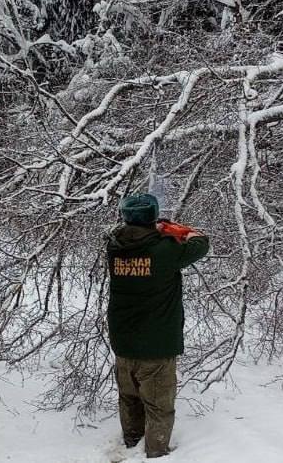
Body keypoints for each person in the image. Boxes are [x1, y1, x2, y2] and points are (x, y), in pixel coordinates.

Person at [106, 193, 209, 458]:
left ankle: (131, 444)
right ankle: (155, 453)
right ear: (152, 217)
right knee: (159, 407)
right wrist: (176, 229)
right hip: (156, 345)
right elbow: (200, 243)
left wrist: (156, 229)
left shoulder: (115, 247)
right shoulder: (166, 250)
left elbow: (128, 236)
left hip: (123, 342)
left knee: (129, 399)